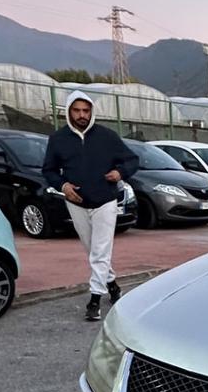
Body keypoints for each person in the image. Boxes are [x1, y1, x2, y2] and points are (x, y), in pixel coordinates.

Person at [41, 91, 139, 320]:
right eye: (77, 110)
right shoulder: (58, 139)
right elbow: (48, 170)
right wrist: (63, 186)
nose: (82, 115)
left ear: (92, 112)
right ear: (68, 112)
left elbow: (132, 159)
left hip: (105, 200)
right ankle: (113, 285)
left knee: (100, 250)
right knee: (92, 250)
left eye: (86, 110)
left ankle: (95, 299)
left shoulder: (107, 136)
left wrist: (120, 172)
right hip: (76, 203)